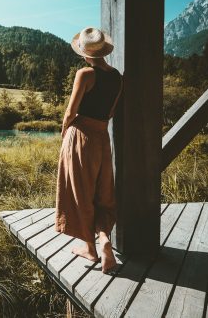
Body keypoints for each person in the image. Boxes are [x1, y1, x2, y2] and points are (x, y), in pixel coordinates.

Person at [55, 27, 123, 274]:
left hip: (80, 136)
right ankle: (103, 238)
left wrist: (65, 134)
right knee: (102, 192)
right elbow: (112, 112)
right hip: (102, 138)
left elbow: (71, 112)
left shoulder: (85, 73)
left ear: (84, 52)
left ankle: (90, 249)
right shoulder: (117, 76)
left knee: (80, 192)